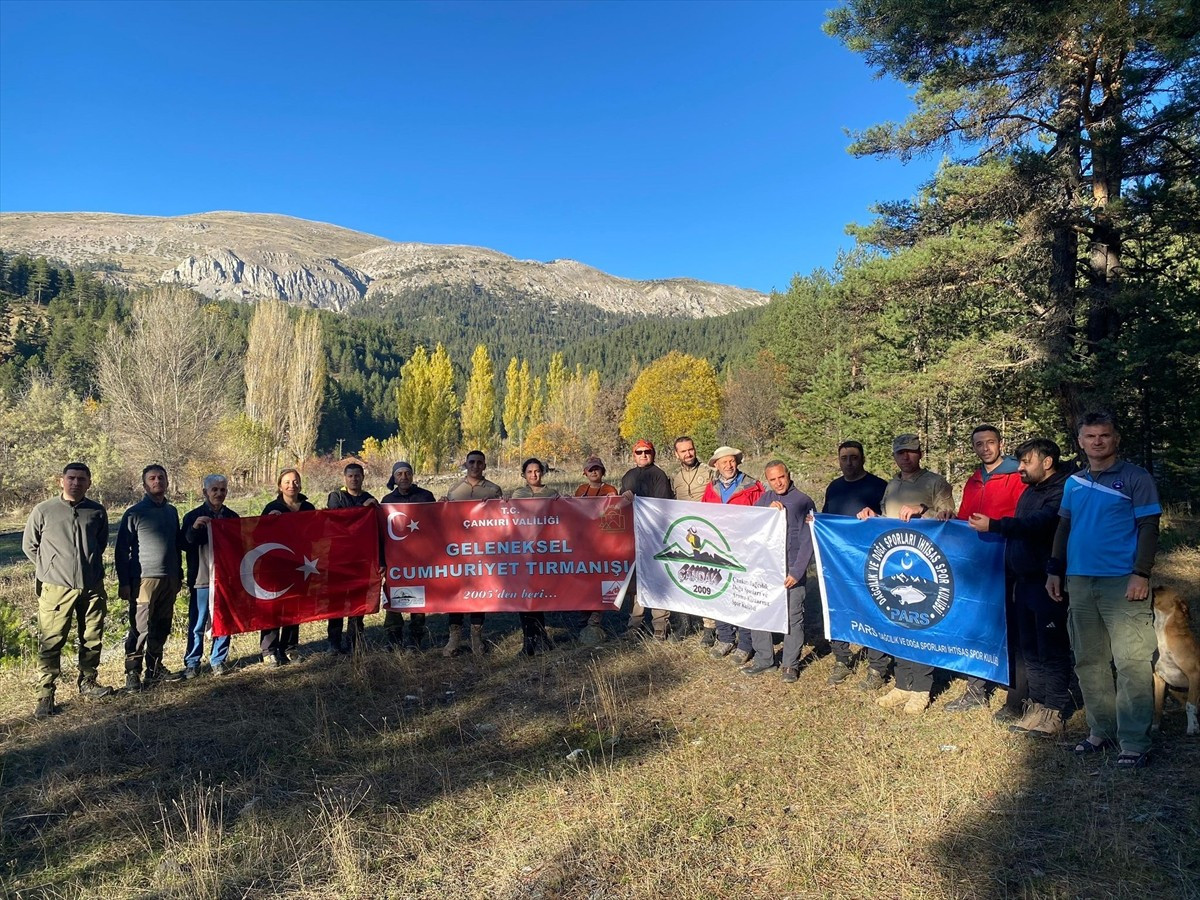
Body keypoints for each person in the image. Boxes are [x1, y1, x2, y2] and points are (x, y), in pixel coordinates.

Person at [1047, 412, 1161, 768]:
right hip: (1080, 580)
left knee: (1131, 662)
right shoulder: (1074, 482)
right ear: (1080, 442)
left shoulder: (1136, 478)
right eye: (1090, 436)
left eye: (1104, 435)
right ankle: (1101, 730)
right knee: (1089, 660)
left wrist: (1141, 572)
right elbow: (1064, 527)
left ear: (1116, 439)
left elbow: (1148, 526)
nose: (1098, 441)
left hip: (1122, 581)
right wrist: (1054, 569)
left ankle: (1134, 741)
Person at [968, 438, 1072, 735]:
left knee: (1051, 648)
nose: (1020, 468)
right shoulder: (1030, 490)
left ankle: (1054, 711)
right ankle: (1036, 706)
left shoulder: (1062, 491)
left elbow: (1039, 524)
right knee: (1030, 649)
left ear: (1047, 462)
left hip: (1047, 582)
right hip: (1023, 581)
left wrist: (995, 525)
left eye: (1027, 462)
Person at [857, 434, 955, 715]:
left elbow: (949, 516)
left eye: (911, 452)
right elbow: (888, 522)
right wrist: (872, 516)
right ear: (895, 456)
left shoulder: (936, 482)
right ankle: (902, 683)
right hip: (894, 565)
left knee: (919, 625)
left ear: (920, 453)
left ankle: (921, 689)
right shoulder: (892, 485)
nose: (906, 457)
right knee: (897, 623)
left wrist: (923, 510)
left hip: (925, 566)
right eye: (901, 453)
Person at [946, 425, 1029, 712]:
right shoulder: (973, 480)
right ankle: (977, 688)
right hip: (976, 564)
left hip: (1009, 561)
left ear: (1000, 444)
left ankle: (1018, 689)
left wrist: (995, 527)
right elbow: (965, 519)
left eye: (990, 442)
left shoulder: (1017, 476)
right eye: (979, 444)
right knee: (976, 623)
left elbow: (1026, 519)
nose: (985, 448)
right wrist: (949, 518)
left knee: (1011, 625)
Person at [24, 462, 113, 717]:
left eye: (81, 479)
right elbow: (30, 546)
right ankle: (45, 694)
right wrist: (51, 569)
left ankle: (88, 681)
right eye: (71, 478)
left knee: (92, 636)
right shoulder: (44, 510)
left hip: (91, 585)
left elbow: (100, 543)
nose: (75, 483)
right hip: (56, 588)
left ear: (89, 483)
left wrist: (89, 567)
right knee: (51, 640)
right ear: (61, 481)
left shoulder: (96, 511)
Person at [822, 441, 888, 687]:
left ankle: (877, 667)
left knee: (872, 611)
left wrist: (876, 517)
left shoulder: (879, 486)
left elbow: (889, 522)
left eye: (854, 457)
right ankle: (842, 659)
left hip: (870, 561)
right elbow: (826, 519)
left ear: (863, 459)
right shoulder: (834, 487)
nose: (849, 462)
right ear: (838, 460)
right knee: (837, 608)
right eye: (844, 458)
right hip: (838, 562)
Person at [743, 461, 816, 683]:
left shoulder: (803, 501)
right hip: (766, 569)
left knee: (793, 617)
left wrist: (797, 571)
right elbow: (749, 524)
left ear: (788, 475)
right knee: (760, 612)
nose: (778, 483)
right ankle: (764, 659)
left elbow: (808, 541)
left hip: (790, 571)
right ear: (767, 480)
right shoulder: (764, 499)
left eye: (781, 477)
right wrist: (766, 512)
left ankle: (790, 665)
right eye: (773, 479)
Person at [115, 464, 184, 691]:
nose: (157, 481)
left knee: (162, 626)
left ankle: (154, 670)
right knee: (140, 628)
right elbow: (121, 551)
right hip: (144, 580)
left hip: (169, 579)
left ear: (167, 482)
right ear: (145, 485)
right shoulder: (134, 513)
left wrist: (178, 574)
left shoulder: (172, 511)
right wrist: (125, 582)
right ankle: (132, 673)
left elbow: (176, 545)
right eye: (152, 478)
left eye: (161, 477)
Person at [703, 446, 765, 662]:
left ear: (737, 462)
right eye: (724, 462)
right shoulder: (711, 488)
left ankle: (746, 643)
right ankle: (725, 637)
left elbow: (764, 517)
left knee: (742, 595)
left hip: (744, 551)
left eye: (731, 461)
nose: (728, 466)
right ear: (716, 465)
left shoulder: (753, 486)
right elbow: (703, 514)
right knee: (720, 593)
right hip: (718, 549)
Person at [443, 449, 503, 656]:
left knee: (479, 592)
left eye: (479, 462)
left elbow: (501, 519)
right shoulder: (454, 490)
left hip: (483, 551)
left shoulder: (494, 490)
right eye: (472, 462)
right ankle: (454, 638)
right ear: (466, 464)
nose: (475, 466)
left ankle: (476, 637)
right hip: (458, 550)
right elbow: (446, 518)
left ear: (484, 465)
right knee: (456, 592)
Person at [180, 474, 239, 679]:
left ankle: (218, 660)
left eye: (222, 490)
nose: (218, 493)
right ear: (205, 492)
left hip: (225, 578)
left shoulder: (232, 517)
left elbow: (240, 546)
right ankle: (192, 662)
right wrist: (195, 528)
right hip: (201, 578)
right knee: (198, 623)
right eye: (214, 489)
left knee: (223, 621)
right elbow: (185, 544)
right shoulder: (192, 516)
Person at [259, 467, 316, 667]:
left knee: (294, 607)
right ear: (280, 486)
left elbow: (317, 533)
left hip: (301, 564)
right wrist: (268, 522)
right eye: (287, 482)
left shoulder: (308, 507)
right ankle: (269, 649)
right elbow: (258, 535)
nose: (292, 485)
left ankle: (290, 647)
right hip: (276, 565)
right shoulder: (271, 507)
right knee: (274, 607)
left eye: (295, 481)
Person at [619, 439, 675, 639]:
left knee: (656, 579)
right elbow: (620, 506)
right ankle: (635, 624)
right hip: (633, 536)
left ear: (653, 454)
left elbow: (660, 506)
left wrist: (637, 501)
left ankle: (660, 623)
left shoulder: (659, 475)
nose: (643, 455)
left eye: (647, 451)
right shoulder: (628, 476)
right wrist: (623, 500)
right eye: (639, 452)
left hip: (655, 535)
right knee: (636, 582)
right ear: (633, 455)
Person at [380, 461, 436, 651]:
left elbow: (437, 523)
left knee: (418, 597)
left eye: (407, 473)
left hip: (420, 557)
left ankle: (415, 638)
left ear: (412, 476)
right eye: (399, 474)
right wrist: (382, 561)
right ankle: (393, 638)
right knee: (392, 595)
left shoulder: (425, 496)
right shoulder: (387, 500)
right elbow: (382, 533)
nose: (404, 477)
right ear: (394, 478)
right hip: (395, 558)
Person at [325, 462, 378, 654]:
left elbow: (375, 528)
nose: (354, 479)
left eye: (357, 476)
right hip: (338, 558)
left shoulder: (369, 498)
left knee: (358, 602)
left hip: (361, 559)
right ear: (344, 478)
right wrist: (363, 509)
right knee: (337, 602)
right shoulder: (336, 497)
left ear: (363, 477)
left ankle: (355, 641)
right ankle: (334, 643)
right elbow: (338, 520)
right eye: (350, 476)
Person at [510, 457, 560, 654]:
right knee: (524, 596)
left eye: (537, 471)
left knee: (538, 595)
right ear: (524, 475)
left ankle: (540, 638)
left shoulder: (551, 494)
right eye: (529, 472)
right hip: (522, 552)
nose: (534, 475)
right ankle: (529, 640)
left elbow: (562, 517)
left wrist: (564, 502)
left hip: (543, 551)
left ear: (542, 473)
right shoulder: (517, 494)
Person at [670, 435, 715, 643]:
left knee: (707, 577)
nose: (688, 454)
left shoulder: (709, 472)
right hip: (683, 533)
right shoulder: (675, 477)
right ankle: (685, 624)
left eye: (691, 449)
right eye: (683, 451)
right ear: (676, 454)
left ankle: (709, 627)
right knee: (684, 577)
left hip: (707, 531)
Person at [573, 457, 616, 644]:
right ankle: (583, 617)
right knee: (583, 579)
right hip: (583, 542)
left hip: (603, 542)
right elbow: (573, 511)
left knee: (600, 579)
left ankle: (596, 618)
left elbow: (616, 511)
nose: (594, 472)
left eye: (597, 469)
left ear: (603, 471)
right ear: (585, 472)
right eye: (590, 469)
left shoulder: (610, 490)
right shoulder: (581, 490)